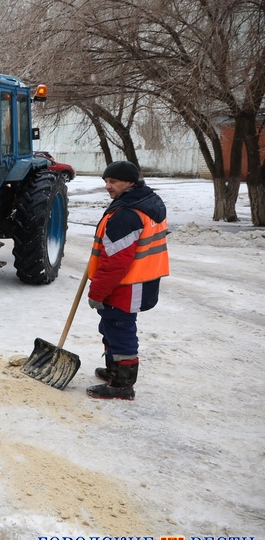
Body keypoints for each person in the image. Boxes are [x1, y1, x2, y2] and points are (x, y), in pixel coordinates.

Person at [86, 161, 169, 400]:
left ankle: (122, 385)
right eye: (106, 181)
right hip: (141, 279)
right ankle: (114, 371)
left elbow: (116, 263)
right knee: (110, 325)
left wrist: (97, 291)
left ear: (130, 183)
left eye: (113, 182)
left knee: (121, 329)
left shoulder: (126, 214)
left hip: (126, 284)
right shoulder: (146, 202)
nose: (107, 187)